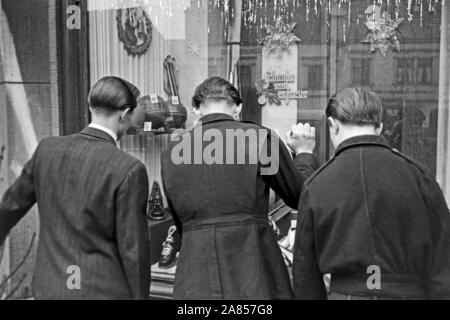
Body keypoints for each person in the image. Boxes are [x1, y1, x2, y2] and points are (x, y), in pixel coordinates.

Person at [161, 76, 317, 300]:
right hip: (253, 267)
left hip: (196, 271)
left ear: (195, 109)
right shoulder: (260, 139)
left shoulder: (173, 150)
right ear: (238, 108)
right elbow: (300, 197)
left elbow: (179, 219)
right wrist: (303, 153)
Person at [0, 76, 150, 300]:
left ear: (91, 107)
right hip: (101, 292)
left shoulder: (46, 150)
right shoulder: (128, 169)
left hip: (49, 289)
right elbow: (134, 253)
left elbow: (9, 207)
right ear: (124, 114)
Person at [292, 87, 450, 300]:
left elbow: (305, 273)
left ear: (332, 125)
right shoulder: (420, 177)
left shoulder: (317, 184)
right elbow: (443, 260)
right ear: (380, 126)